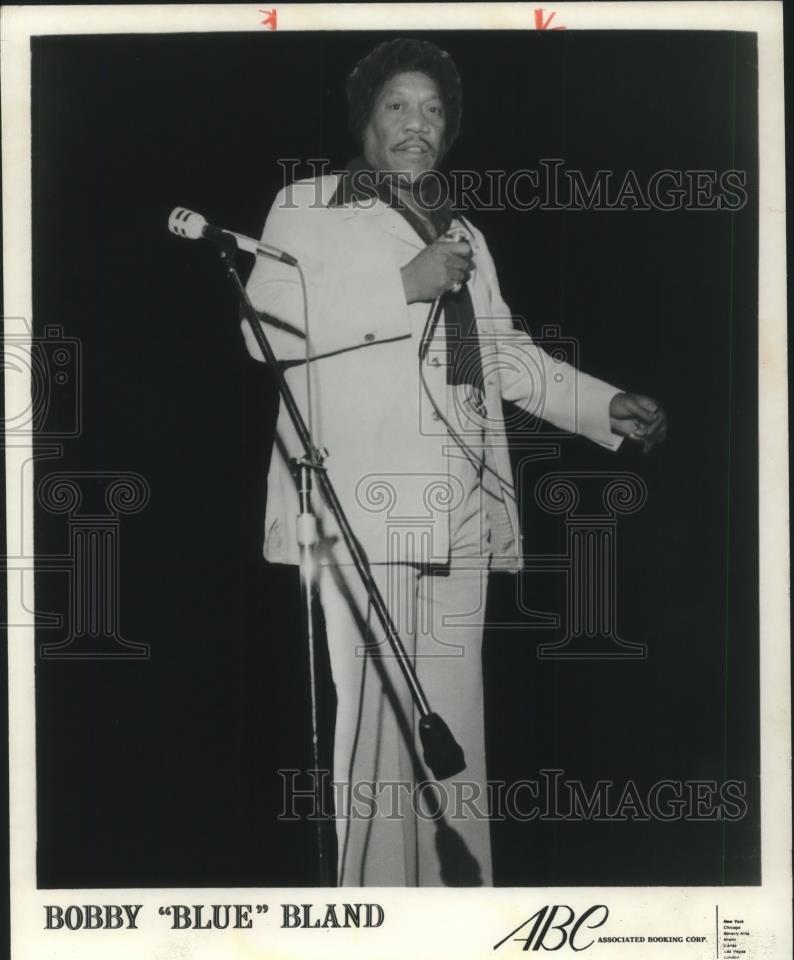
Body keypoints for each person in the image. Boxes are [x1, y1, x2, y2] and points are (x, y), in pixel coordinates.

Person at [241, 38, 667, 887]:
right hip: (366, 505)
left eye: (434, 111)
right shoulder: (309, 204)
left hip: (461, 505)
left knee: (451, 740)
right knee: (375, 733)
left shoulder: (462, 229)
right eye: (398, 106)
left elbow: (501, 356)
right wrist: (404, 281)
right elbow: (261, 329)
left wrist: (601, 407)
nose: (417, 124)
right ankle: (368, 926)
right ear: (366, 118)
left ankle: (455, 921)